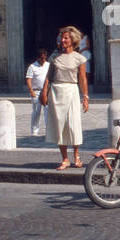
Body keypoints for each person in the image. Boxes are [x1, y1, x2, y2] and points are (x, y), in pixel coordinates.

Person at [41, 26, 89, 170]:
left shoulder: (79, 58)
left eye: (66, 38)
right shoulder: (54, 57)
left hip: (72, 90)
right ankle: (65, 158)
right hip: (56, 91)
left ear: (72, 40)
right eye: (62, 38)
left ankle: (76, 155)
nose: (63, 40)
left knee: (73, 124)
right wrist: (44, 92)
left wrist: (85, 97)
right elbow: (49, 77)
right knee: (59, 125)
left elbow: (82, 79)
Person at [25, 48, 50, 137]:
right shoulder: (32, 66)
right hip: (36, 91)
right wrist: (31, 91)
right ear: (38, 58)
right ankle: (34, 131)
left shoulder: (48, 65)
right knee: (36, 112)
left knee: (48, 111)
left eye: (45, 58)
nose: (43, 60)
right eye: (41, 58)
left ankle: (49, 130)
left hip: (46, 91)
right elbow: (29, 79)